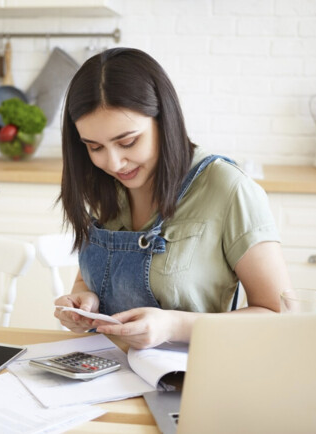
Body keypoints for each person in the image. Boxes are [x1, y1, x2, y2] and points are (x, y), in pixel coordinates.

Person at [54, 48, 291, 349]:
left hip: (190, 380)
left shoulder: (228, 188)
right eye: (95, 147)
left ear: (164, 120)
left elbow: (280, 315)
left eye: (127, 141)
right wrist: (84, 302)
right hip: (105, 374)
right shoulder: (106, 184)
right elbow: (88, 280)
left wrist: (174, 325)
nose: (113, 163)